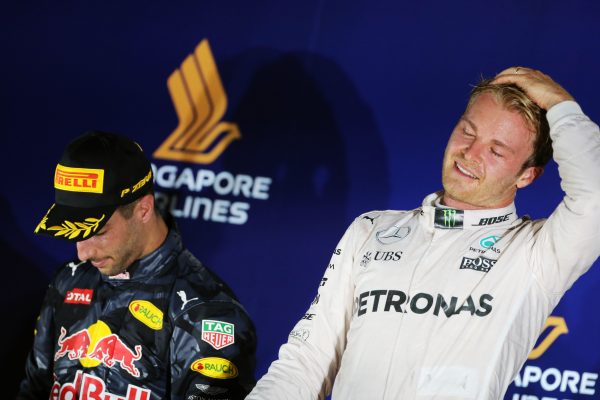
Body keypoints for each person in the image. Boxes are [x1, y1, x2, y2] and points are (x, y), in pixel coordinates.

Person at [245, 67, 600, 399]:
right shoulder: (372, 229)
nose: (470, 154)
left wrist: (558, 103)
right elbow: (306, 361)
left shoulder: (536, 254)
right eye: (468, 131)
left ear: (527, 175)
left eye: (496, 150)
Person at [18, 131, 257, 400]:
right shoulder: (69, 280)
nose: (82, 253)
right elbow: (34, 389)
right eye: (74, 234)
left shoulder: (207, 312)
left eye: (97, 231)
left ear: (143, 209)